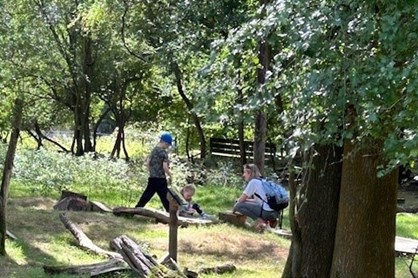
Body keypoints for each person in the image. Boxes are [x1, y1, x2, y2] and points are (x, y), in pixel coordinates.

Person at [233, 163, 279, 231]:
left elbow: (241, 200)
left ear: (250, 173)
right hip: (274, 212)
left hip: (266, 212)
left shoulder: (253, 182)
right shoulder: (262, 180)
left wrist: (236, 204)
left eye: (245, 172)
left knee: (238, 206)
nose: (243, 175)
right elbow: (257, 201)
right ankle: (269, 221)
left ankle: (261, 221)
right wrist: (246, 201)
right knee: (239, 204)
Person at [135, 132, 173, 212]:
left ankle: (136, 210)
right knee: (165, 197)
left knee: (146, 195)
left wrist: (152, 172)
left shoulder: (154, 150)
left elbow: (148, 163)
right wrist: (170, 175)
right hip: (161, 179)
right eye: (168, 145)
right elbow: (164, 167)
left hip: (152, 178)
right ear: (165, 143)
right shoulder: (163, 153)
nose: (167, 147)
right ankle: (171, 213)